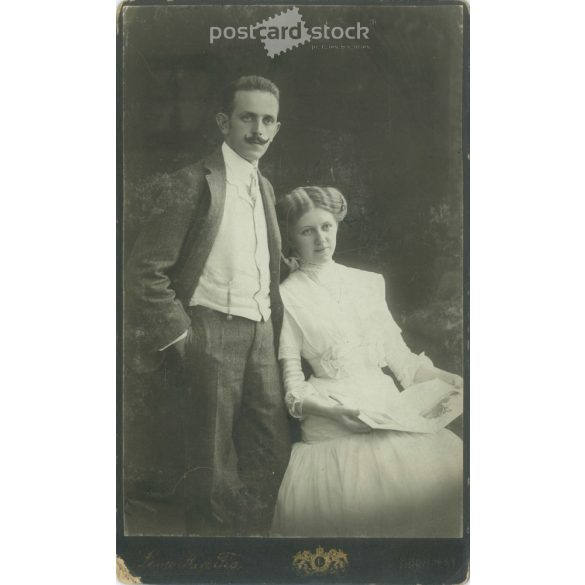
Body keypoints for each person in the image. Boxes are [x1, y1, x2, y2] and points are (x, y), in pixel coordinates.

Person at [124, 75, 291, 536]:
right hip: (209, 331)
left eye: (267, 121)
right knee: (211, 468)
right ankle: (212, 561)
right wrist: (181, 336)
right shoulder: (192, 183)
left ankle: (256, 559)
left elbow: (267, 260)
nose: (258, 130)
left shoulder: (267, 188)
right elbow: (146, 271)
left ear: (277, 128)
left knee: (271, 454)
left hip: (262, 335)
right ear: (225, 122)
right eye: (247, 118)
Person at [271, 186, 463, 537]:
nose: (320, 239)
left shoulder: (369, 284)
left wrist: (449, 378)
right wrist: (333, 412)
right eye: (307, 231)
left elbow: (401, 361)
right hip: (333, 421)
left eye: (326, 227)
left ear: (337, 225)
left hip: (385, 406)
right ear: (291, 237)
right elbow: (293, 391)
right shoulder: (286, 297)